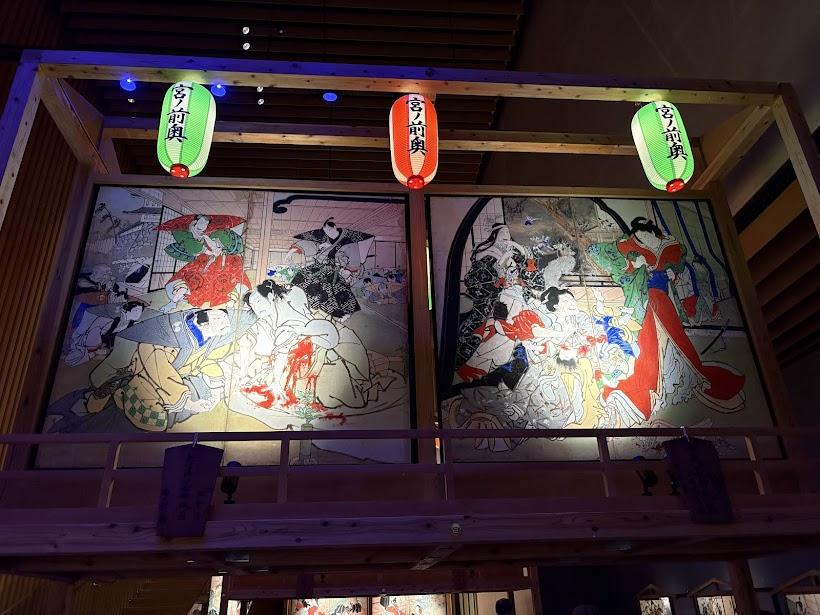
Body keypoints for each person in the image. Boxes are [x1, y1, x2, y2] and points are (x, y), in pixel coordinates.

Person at [588, 216, 745, 424]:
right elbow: (599, 254)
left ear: (652, 232)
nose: (641, 239)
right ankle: (655, 383)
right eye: (638, 236)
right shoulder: (630, 246)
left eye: (644, 235)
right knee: (650, 343)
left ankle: (683, 375)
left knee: (675, 338)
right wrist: (633, 265)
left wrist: (672, 271)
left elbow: (679, 263)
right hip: (647, 299)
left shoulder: (668, 244)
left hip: (664, 297)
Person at [158, 213, 250, 309]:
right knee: (188, 284)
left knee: (222, 289)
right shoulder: (201, 247)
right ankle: (173, 302)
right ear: (194, 222)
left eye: (206, 224)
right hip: (201, 275)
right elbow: (195, 261)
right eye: (201, 223)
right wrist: (204, 249)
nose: (203, 226)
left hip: (215, 278)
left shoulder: (229, 258)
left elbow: (235, 273)